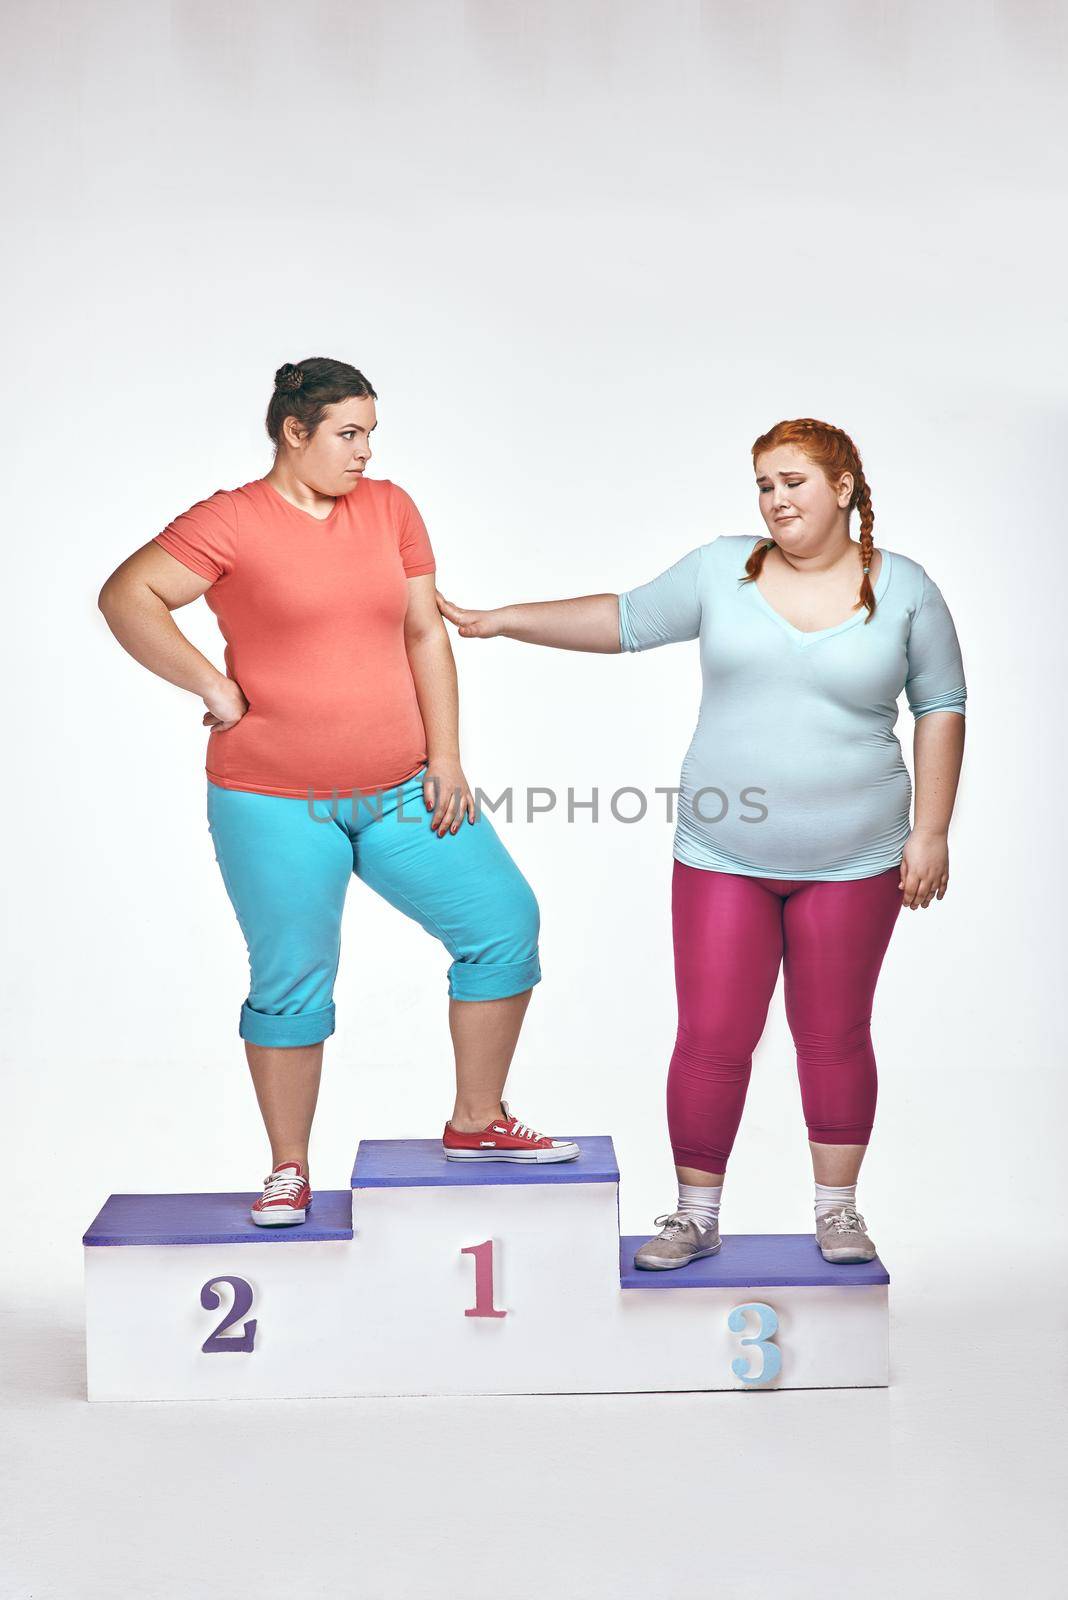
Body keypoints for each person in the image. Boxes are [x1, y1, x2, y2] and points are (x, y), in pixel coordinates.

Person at [436, 417, 966, 1266]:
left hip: (857, 858)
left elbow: (941, 705)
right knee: (713, 1035)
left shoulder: (906, 588)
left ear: (843, 488)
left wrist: (932, 831)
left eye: (793, 480)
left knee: (834, 1033)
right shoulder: (724, 570)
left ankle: (837, 1211)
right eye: (763, 483)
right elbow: (623, 620)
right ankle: (692, 1214)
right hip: (722, 855)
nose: (775, 497)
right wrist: (500, 621)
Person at [97, 356, 579, 1227]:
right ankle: (287, 1167)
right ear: (295, 431)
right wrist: (211, 684)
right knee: (293, 981)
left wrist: (447, 757)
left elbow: (426, 632)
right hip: (272, 802)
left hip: (401, 790)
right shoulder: (229, 521)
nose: (363, 452)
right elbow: (128, 595)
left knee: (504, 925)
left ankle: (476, 1120)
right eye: (348, 434)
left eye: (370, 434)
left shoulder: (391, 508)